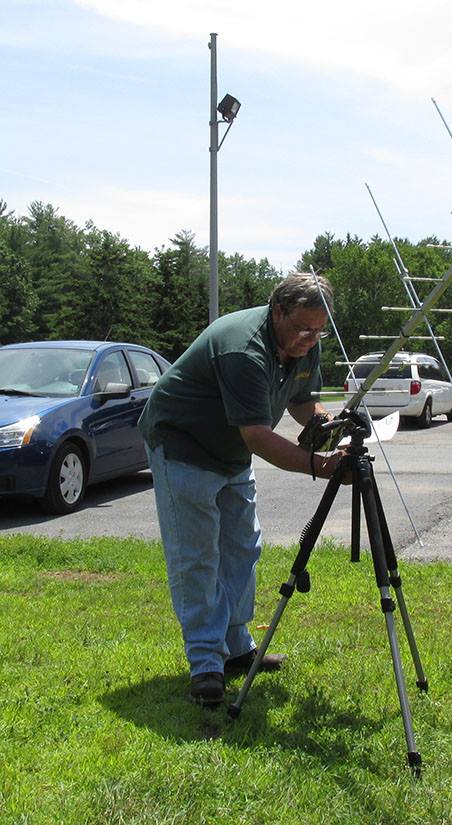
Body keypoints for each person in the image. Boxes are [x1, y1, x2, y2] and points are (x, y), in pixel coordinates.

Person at [139, 273, 347, 707]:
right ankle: (205, 665)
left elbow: (302, 399)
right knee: (197, 555)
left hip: (229, 451)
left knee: (242, 547)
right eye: (302, 329)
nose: (310, 338)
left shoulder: (306, 338)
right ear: (277, 312)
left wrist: (328, 426)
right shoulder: (243, 348)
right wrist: (319, 466)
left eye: (319, 330)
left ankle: (236, 648)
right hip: (183, 443)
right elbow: (256, 435)